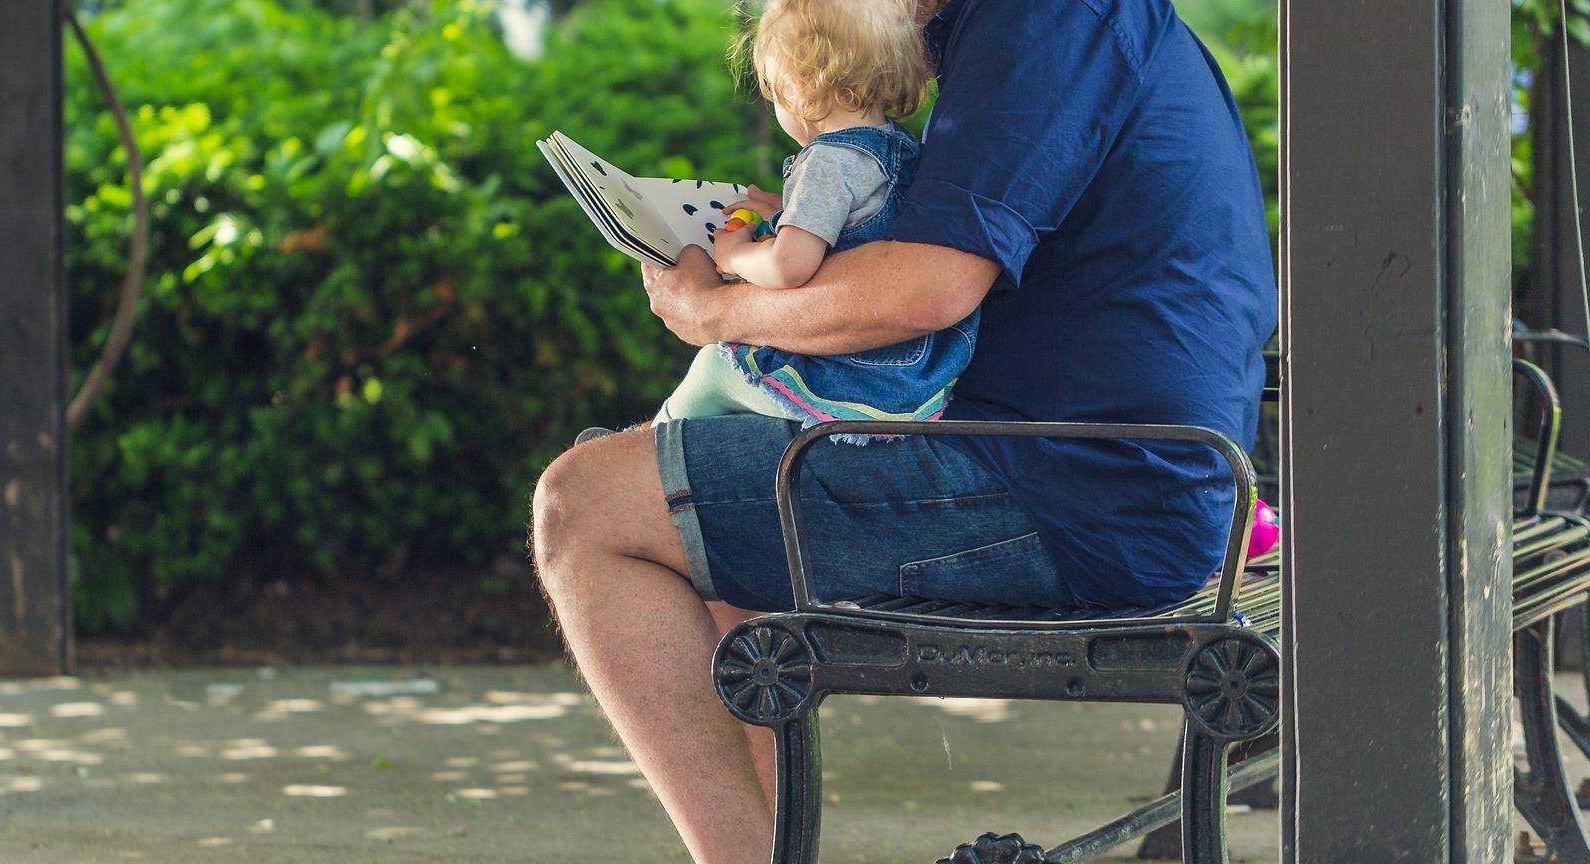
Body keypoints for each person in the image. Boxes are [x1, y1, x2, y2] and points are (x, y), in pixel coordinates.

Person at [531, 0, 1278, 861]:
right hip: (1109, 473)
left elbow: (926, 291)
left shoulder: (1048, 19)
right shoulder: (1042, 23)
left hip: (1077, 491)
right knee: (693, 498)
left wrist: (716, 310)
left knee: (584, 502)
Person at [659, 0, 979, 428]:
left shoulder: (828, 161)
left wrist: (733, 254)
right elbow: (859, 225)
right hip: (916, 372)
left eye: (772, 88)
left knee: (715, 367)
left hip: (857, 375)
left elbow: (788, 266)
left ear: (799, 82)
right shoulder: (899, 148)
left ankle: (651, 449)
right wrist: (784, 213)